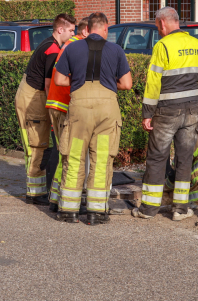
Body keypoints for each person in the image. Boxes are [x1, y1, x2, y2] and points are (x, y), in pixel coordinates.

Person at [52, 12, 132, 225]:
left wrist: (78, 82)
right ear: (105, 28)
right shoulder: (116, 50)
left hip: (79, 108)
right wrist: (106, 85)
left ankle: (69, 210)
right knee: (102, 159)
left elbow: (59, 80)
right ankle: (96, 212)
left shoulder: (71, 47)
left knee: (75, 156)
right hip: (107, 110)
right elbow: (127, 84)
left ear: (87, 28)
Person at [132, 7, 198, 221]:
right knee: (185, 158)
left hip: (167, 111)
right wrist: (197, 102)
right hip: (192, 109)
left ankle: (148, 209)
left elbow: (154, 82)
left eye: (157, 25)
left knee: (157, 157)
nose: (158, 29)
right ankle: (180, 210)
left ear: (163, 23)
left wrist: (147, 112)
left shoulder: (162, 46)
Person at [15, 13, 77, 205]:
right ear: (61, 30)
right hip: (34, 99)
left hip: (30, 95)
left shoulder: (51, 44)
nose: (73, 34)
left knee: (37, 145)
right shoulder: (52, 49)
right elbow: (50, 86)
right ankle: (35, 194)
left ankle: (36, 191)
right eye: (71, 31)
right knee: (37, 146)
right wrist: (55, 112)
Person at [46, 17, 89, 211]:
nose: (71, 34)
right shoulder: (77, 46)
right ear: (87, 31)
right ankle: (61, 199)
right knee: (68, 155)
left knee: (64, 153)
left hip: (56, 103)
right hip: (64, 105)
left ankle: (55, 197)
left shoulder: (70, 45)